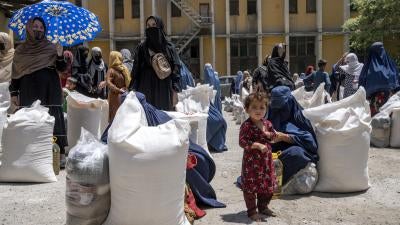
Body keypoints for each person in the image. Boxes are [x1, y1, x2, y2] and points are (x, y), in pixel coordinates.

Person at [9, 17, 68, 165]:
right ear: (29, 28)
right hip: (28, 88)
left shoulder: (51, 47)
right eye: (35, 26)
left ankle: (58, 154)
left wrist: (60, 55)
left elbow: (62, 69)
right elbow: (16, 73)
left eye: (41, 27)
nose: (38, 29)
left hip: (50, 89)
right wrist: (14, 93)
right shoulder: (21, 50)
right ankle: (32, 154)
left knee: (52, 118)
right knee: (31, 119)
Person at [267, 86, 319, 185]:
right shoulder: (270, 114)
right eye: (276, 108)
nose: (279, 112)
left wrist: (284, 137)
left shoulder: (299, 118)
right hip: (273, 154)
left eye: (282, 108)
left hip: (290, 154)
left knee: (296, 153)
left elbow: (311, 143)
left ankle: (272, 179)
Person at [129, 16, 181, 111]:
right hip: (146, 87)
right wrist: (133, 88)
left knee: (163, 117)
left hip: (164, 87)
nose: (151, 28)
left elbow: (176, 68)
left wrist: (175, 89)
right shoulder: (142, 48)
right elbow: (136, 69)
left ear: (160, 26)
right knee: (148, 116)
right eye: (148, 26)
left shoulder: (169, 47)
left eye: (154, 25)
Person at [239, 91, 277, 221]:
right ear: (247, 109)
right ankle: (252, 211)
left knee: (267, 187)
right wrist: (256, 145)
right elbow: (242, 142)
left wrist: (269, 135)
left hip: (266, 162)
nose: (258, 110)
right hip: (251, 164)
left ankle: (263, 206)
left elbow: (274, 136)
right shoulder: (246, 126)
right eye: (254, 107)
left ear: (266, 109)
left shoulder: (268, 124)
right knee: (250, 187)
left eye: (262, 107)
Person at [359, 42, 400, 116]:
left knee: (377, 125)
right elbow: (397, 82)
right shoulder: (390, 66)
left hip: (374, 103)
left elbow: (362, 83)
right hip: (390, 103)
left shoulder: (368, 68)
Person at [106, 51, 130, 122]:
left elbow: (108, 83)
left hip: (116, 97)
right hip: (123, 95)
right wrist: (122, 89)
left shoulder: (112, 70)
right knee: (121, 117)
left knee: (116, 118)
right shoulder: (123, 69)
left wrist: (119, 90)